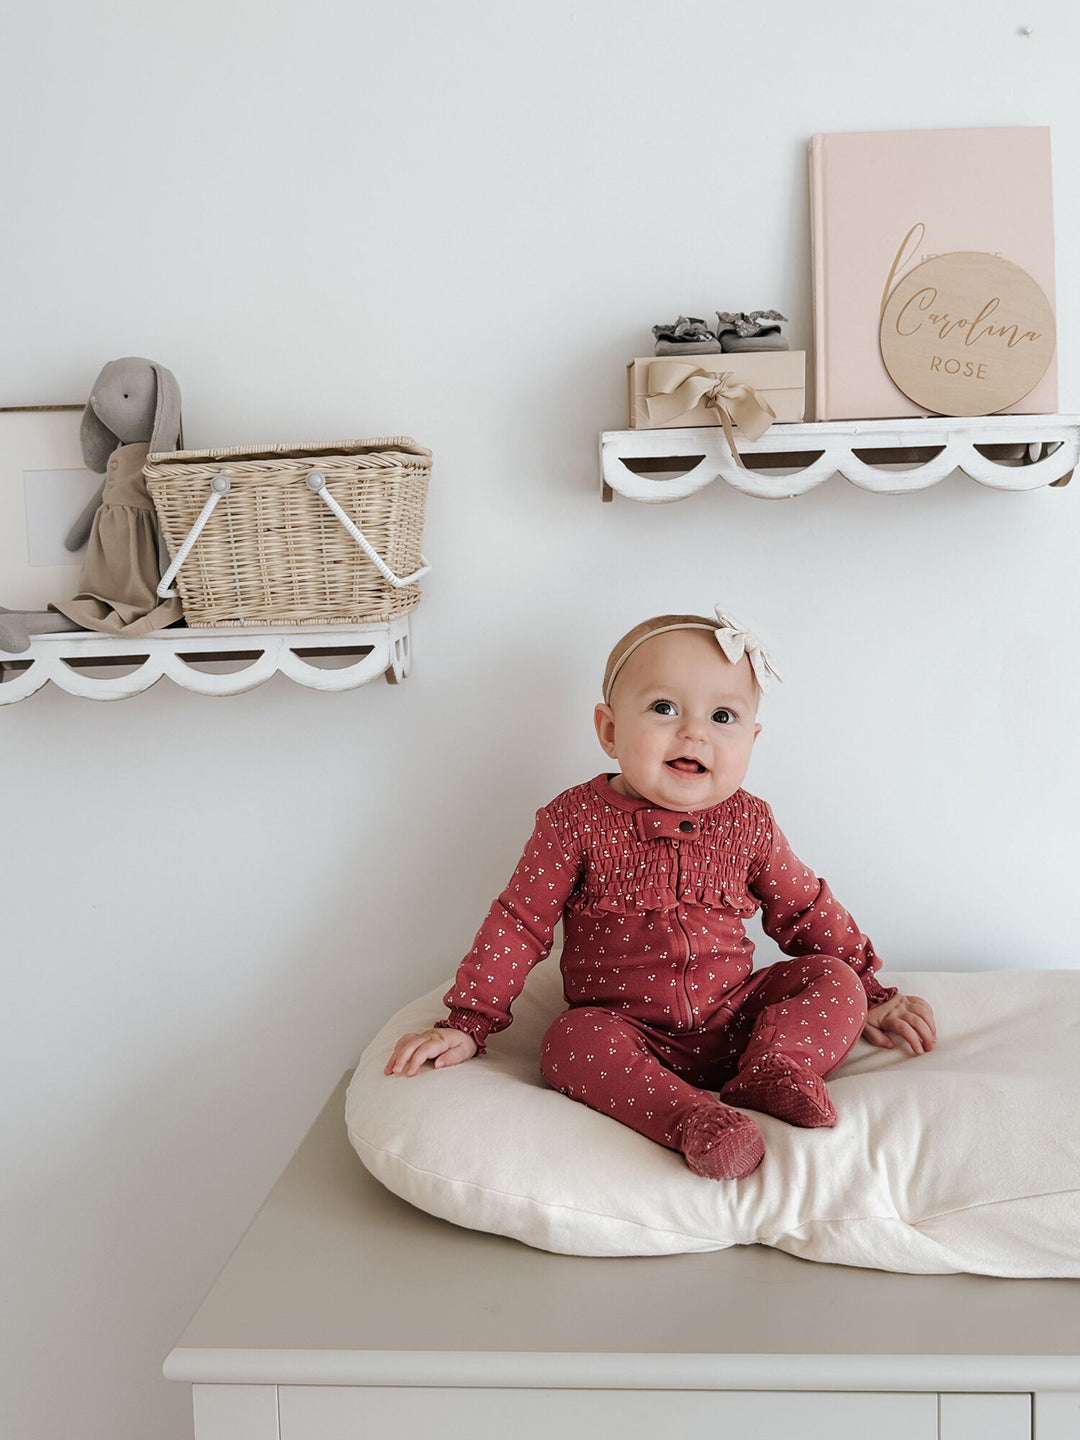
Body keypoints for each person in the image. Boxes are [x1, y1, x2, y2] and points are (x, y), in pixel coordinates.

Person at [386, 608, 936, 1180]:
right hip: (628, 1032)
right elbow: (519, 923)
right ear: (609, 730)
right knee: (568, 1042)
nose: (694, 732)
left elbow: (805, 908)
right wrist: (465, 1023)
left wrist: (872, 988)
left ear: (751, 740)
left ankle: (778, 1068)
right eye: (664, 708)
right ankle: (694, 1121)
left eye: (723, 716)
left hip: (737, 1018)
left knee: (831, 979)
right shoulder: (573, 822)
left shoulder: (749, 823)